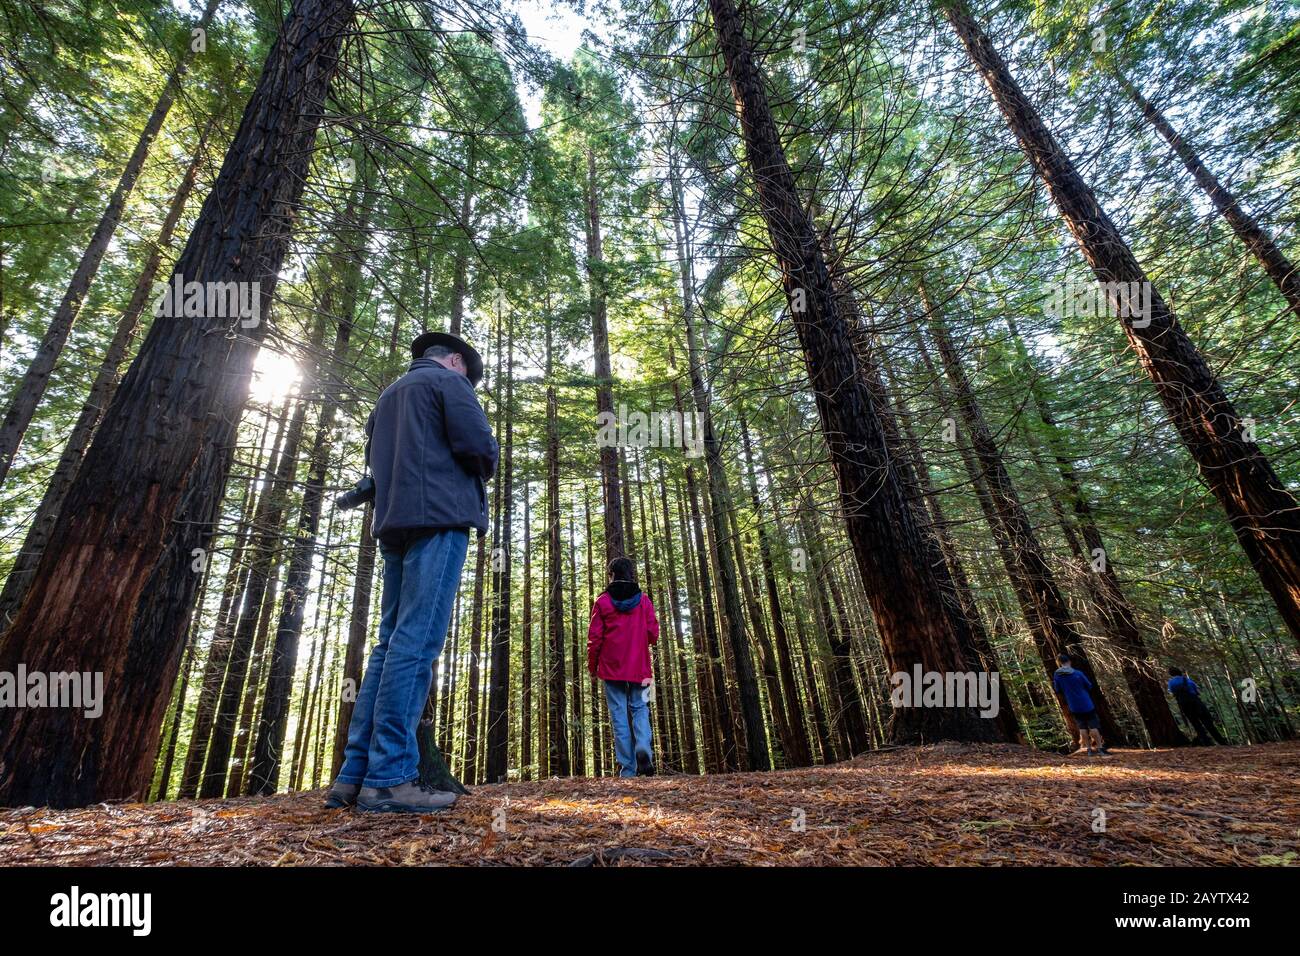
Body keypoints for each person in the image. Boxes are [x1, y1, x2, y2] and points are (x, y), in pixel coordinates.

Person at [326, 331, 497, 813]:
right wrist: (492, 445)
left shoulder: (387, 397)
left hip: (394, 525)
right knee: (416, 644)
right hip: (439, 520)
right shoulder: (449, 384)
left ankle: (353, 775)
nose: (471, 384)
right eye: (471, 376)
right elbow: (478, 451)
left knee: (388, 645)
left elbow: (376, 468)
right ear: (456, 362)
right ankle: (389, 777)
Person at [587, 556, 660, 778]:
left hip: (612, 668)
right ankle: (643, 750)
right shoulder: (644, 600)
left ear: (612, 575)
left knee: (619, 715)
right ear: (630, 574)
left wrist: (593, 666)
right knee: (641, 709)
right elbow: (653, 634)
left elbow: (595, 638)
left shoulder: (603, 602)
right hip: (641, 669)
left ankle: (628, 769)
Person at [1052, 653, 1109, 756]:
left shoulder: (1057, 675)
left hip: (1073, 705)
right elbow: (1089, 685)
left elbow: (1057, 689)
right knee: (1093, 726)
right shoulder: (1078, 673)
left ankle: (1088, 750)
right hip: (1086, 703)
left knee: (1082, 727)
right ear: (1069, 661)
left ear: (1059, 663)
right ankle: (1100, 748)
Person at [1167, 667, 1227, 745]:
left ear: (1171, 674)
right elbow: (1196, 690)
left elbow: (1172, 692)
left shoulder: (1171, 683)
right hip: (1196, 702)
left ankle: (1207, 742)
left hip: (1184, 705)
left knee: (1196, 724)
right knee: (1207, 722)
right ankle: (1221, 741)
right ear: (1180, 672)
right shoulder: (1187, 680)